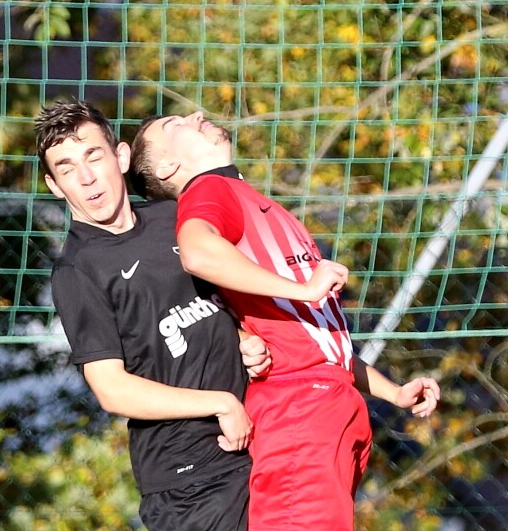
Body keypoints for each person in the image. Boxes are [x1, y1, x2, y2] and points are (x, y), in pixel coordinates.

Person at [130, 110, 442, 531]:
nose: (197, 114)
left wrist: (393, 392)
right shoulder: (208, 190)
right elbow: (197, 253)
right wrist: (304, 290)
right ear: (168, 167)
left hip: (330, 402)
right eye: (176, 124)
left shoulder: (248, 199)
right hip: (298, 410)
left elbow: (317, 342)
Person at [35, 100, 269, 531]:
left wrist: (245, 338)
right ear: (54, 185)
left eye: (93, 156)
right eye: (67, 169)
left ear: (121, 157)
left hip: (261, 441)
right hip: (190, 481)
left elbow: (225, 300)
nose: (86, 177)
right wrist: (219, 402)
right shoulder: (78, 270)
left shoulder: (176, 216)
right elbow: (112, 390)